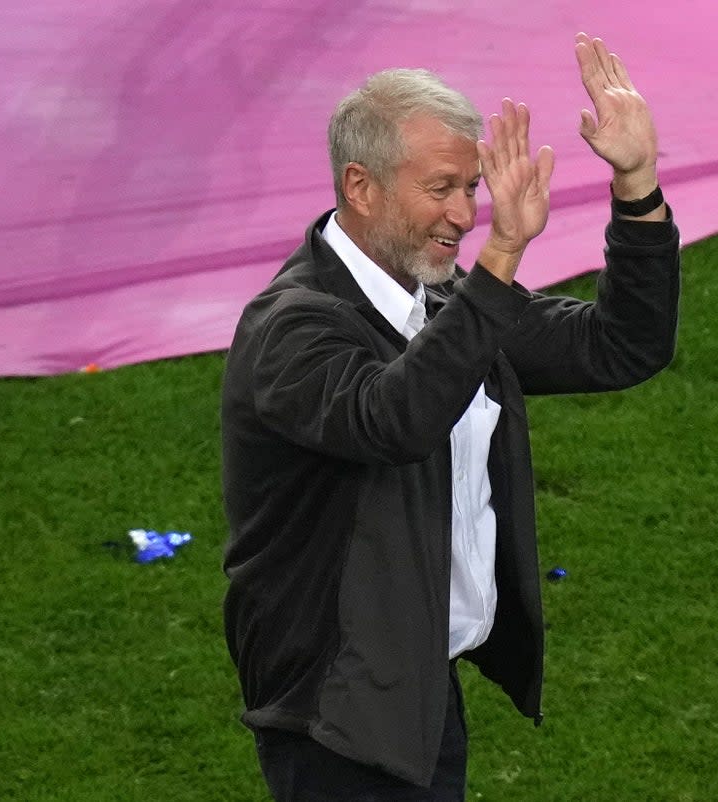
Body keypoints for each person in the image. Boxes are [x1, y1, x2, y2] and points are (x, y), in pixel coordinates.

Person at [221, 31, 681, 801]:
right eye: (442, 188)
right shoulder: (292, 328)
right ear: (360, 187)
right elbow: (393, 420)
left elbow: (619, 347)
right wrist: (501, 262)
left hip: (416, 692)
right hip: (334, 713)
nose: (466, 215)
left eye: (473, 188)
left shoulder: (437, 301)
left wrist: (637, 183)